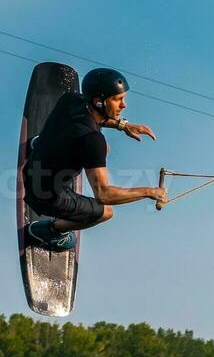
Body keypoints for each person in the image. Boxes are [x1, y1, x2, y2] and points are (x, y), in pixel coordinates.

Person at [22, 68, 167, 251]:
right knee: (106, 212)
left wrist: (124, 125)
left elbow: (95, 117)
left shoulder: (71, 100)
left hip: (36, 163)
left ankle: (41, 144)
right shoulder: (92, 140)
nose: (124, 105)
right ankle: (49, 230)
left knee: (97, 145)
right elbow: (105, 194)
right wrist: (149, 191)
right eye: (117, 99)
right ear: (98, 101)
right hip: (44, 196)